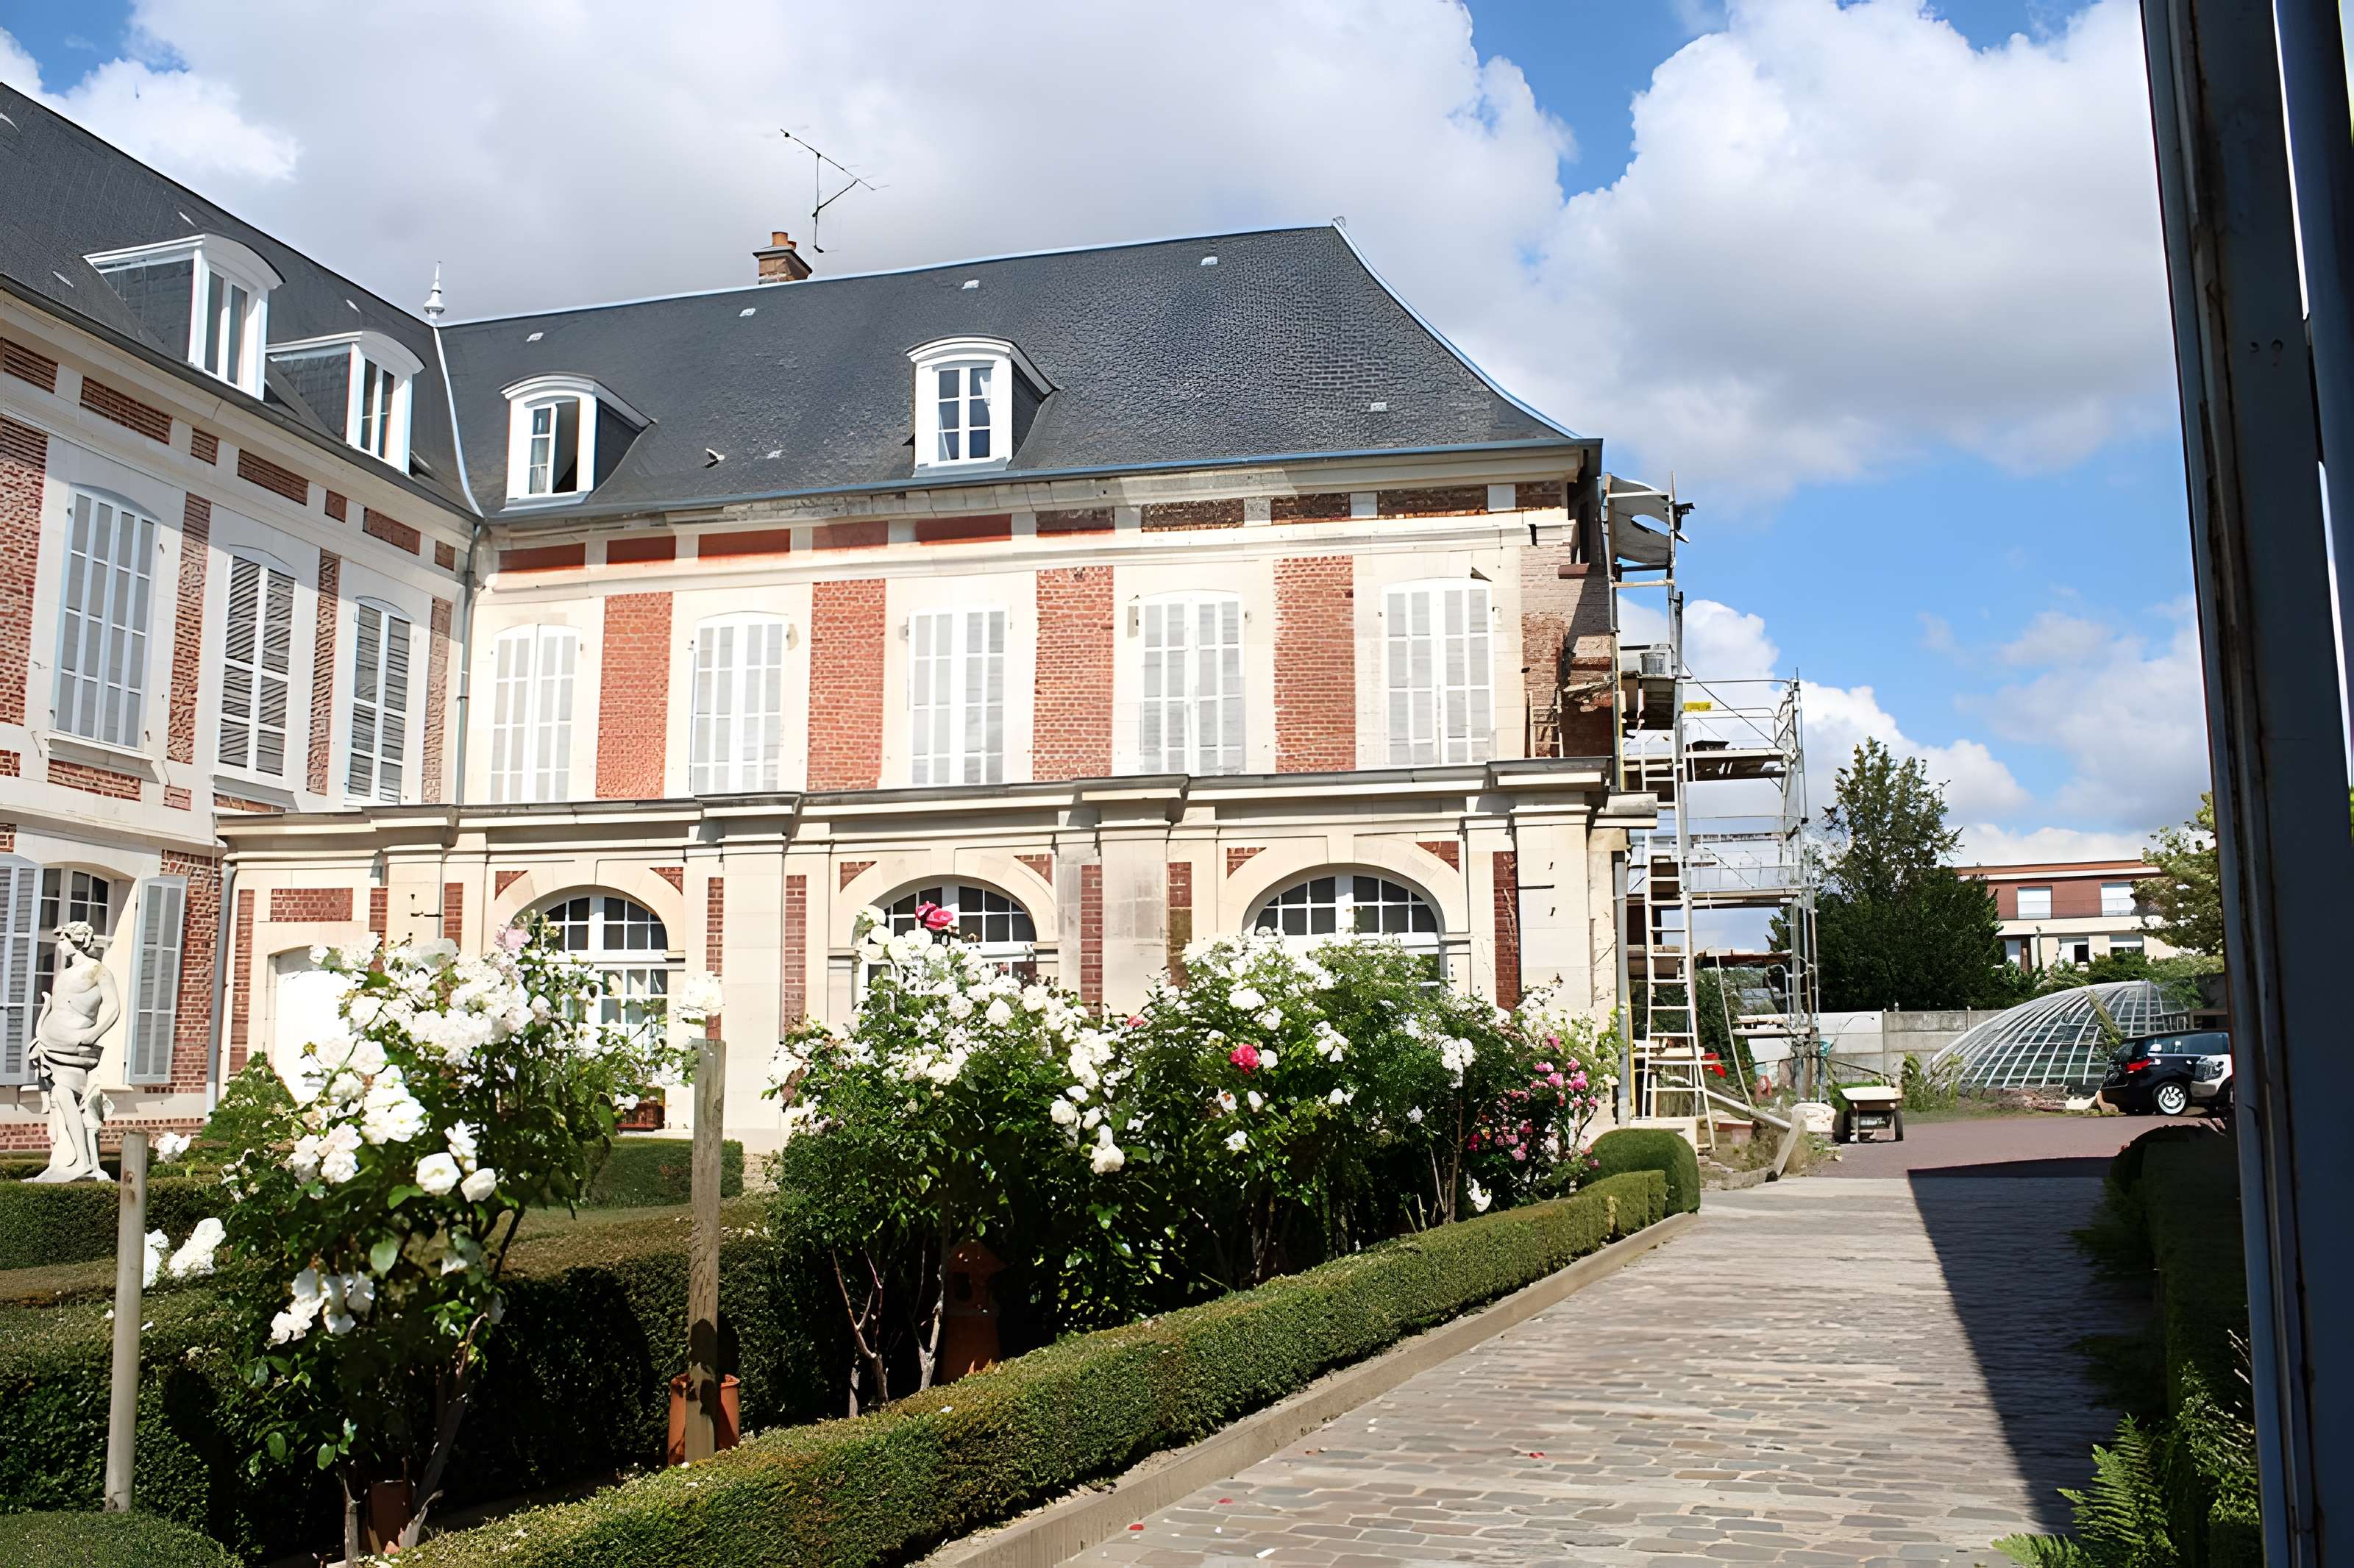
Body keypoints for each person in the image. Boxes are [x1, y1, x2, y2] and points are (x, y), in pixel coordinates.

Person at [26, 920, 119, 1183]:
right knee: (58, 1100)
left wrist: (90, 1036)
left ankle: (83, 1162)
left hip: (75, 1048)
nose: (59, 944)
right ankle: (64, 1161)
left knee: (65, 1094)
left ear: (75, 940)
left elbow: (113, 1008)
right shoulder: (65, 973)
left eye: (62, 939)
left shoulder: (98, 971)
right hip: (52, 1046)